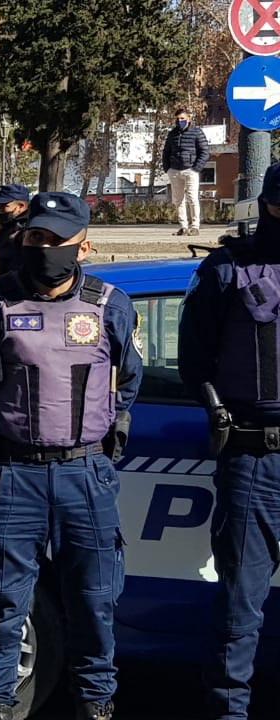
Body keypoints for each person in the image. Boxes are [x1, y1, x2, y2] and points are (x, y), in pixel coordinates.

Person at [0, 192, 141, 720]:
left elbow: (128, 378)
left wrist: (110, 429)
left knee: (94, 599)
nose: (45, 248)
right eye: (36, 237)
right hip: (13, 475)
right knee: (4, 604)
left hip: (86, 474)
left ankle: (95, 703)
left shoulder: (110, 305)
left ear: (83, 247)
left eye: (58, 240)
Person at [179, 161, 280, 720]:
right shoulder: (227, 270)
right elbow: (194, 362)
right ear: (269, 205)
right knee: (241, 610)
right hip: (254, 459)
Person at [161, 109, 209, 237]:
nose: (179, 121)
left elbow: (204, 152)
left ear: (188, 119)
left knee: (192, 198)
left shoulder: (197, 132)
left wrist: (196, 168)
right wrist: (167, 168)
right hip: (175, 171)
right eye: (177, 119)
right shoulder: (172, 134)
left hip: (191, 170)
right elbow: (166, 152)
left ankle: (195, 227)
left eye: (182, 118)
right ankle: (183, 227)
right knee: (178, 200)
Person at [0, 183, 30, 278]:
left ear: (21, 206)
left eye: (5, 206)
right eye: (0, 206)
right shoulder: (7, 226)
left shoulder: (30, 230)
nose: (0, 210)